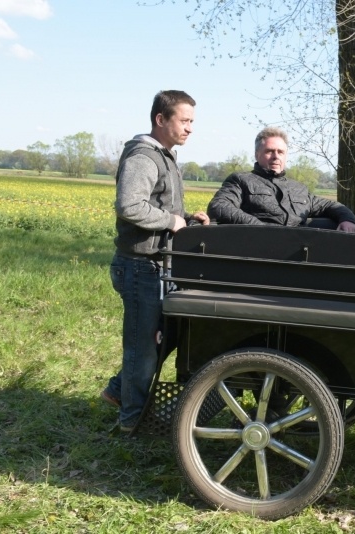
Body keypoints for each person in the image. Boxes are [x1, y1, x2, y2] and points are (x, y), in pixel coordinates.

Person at [101, 90, 210, 431]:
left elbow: (159, 206)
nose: (190, 128)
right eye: (185, 120)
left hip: (157, 266)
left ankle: (120, 390)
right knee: (143, 348)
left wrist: (186, 219)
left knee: (170, 333)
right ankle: (131, 422)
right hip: (140, 267)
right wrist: (170, 222)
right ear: (160, 119)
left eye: (193, 121)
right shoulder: (143, 157)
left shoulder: (166, 156)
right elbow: (129, 205)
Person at [207, 127, 355, 231]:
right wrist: (260, 228)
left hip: (298, 252)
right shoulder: (241, 180)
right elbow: (219, 206)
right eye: (269, 151)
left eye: (281, 152)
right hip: (257, 250)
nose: (276, 156)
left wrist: (347, 219)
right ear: (257, 154)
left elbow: (330, 206)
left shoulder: (299, 189)